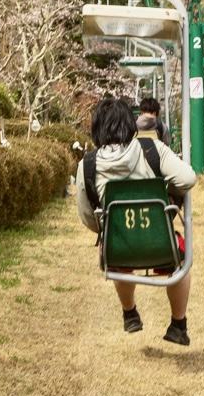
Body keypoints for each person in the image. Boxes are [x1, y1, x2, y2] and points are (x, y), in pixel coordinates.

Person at [77, 98, 197, 345]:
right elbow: (188, 178)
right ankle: (178, 324)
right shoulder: (152, 149)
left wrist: (106, 228)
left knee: (117, 252)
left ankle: (129, 313)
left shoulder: (87, 164)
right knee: (179, 259)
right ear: (130, 124)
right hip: (161, 244)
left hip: (117, 248)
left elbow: (88, 216)